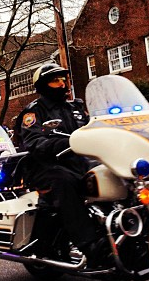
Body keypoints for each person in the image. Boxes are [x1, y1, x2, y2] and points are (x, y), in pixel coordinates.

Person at [16, 62, 106, 266]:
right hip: (45, 167)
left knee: (111, 174)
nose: (62, 83)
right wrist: (67, 142)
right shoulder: (34, 113)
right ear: (43, 85)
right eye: (55, 80)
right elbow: (33, 142)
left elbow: (94, 127)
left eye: (63, 78)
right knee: (64, 182)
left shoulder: (75, 108)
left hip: (77, 162)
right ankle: (90, 244)